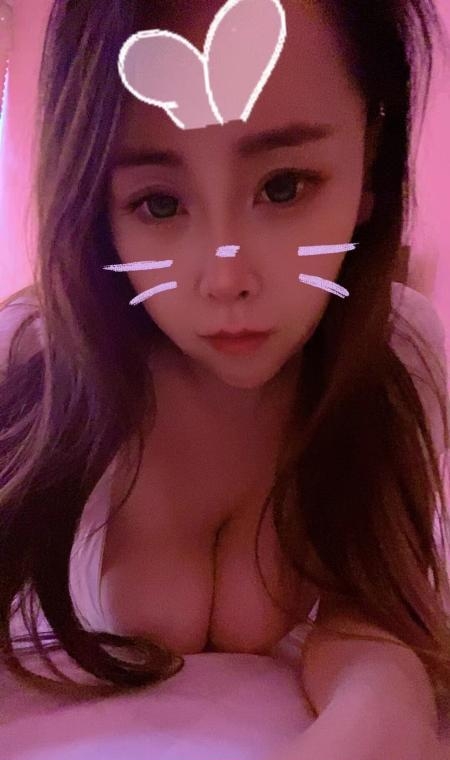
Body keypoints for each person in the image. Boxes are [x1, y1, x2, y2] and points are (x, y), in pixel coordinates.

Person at [0, 0, 449, 751]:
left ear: (370, 164)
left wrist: (386, 697)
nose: (225, 277)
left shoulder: (398, 359)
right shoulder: (28, 369)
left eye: (284, 186)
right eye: (159, 203)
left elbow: (368, 605)